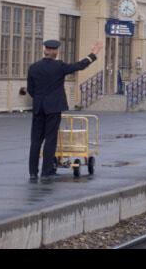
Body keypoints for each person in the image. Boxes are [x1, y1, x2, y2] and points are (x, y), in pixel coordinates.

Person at [23, 39, 103, 181]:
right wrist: (93, 54)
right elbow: (79, 66)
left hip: (38, 107)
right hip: (53, 107)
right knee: (50, 139)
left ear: (45, 50)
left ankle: (33, 173)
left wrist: (39, 99)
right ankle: (47, 172)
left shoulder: (33, 67)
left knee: (35, 141)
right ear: (55, 51)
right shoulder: (59, 66)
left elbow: (30, 89)